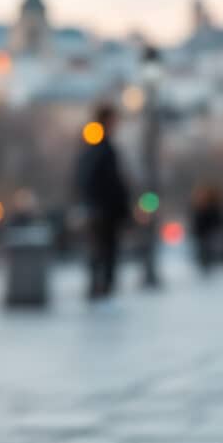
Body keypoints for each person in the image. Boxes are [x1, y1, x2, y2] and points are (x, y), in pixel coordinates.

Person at [75, 104, 130, 299]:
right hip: (104, 209)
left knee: (99, 249)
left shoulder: (93, 144)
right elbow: (109, 181)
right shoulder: (102, 147)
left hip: (98, 208)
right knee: (104, 249)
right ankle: (102, 287)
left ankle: (99, 286)